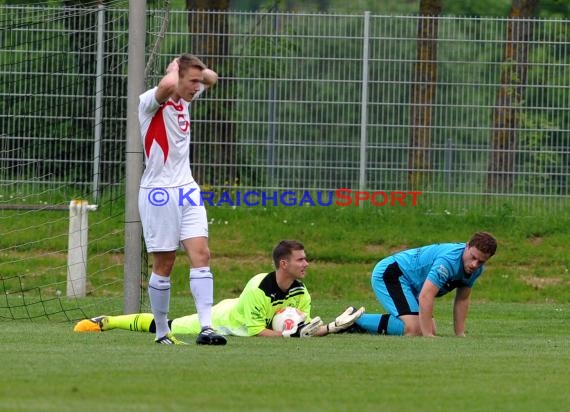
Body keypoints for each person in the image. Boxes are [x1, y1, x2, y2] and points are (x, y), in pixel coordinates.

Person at [74, 240, 365, 338]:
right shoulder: (258, 287)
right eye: (301, 260)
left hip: (238, 313)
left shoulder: (302, 292)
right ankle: (109, 321)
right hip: (224, 320)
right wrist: (291, 336)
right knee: (169, 326)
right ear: (283, 263)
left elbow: (302, 328)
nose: (307, 264)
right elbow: (257, 332)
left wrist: (330, 327)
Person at [137, 53, 225, 345]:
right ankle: (162, 332)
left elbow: (213, 79)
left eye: (198, 82)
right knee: (165, 263)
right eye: (192, 81)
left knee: (202, 255)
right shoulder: (150, 102)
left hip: (187, 188)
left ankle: (207, 327)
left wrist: (196, 71)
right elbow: (168, 84)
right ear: (177, 76)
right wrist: (175, 69)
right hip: (159, 193)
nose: (197, 87)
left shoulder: (186, 98)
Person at [354, 232, 497, 337]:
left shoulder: (476, 269)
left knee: (428, 328)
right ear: (467, 246)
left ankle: (356, 324)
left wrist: (460, 334)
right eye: (473, 257)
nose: (474, 264)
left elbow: (462, 299)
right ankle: (356, 319)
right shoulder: (447, 262)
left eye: (481, 262)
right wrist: (428, 336)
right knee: (416, 330)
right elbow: (426, 296)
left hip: (411, 284)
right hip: (392, 273)